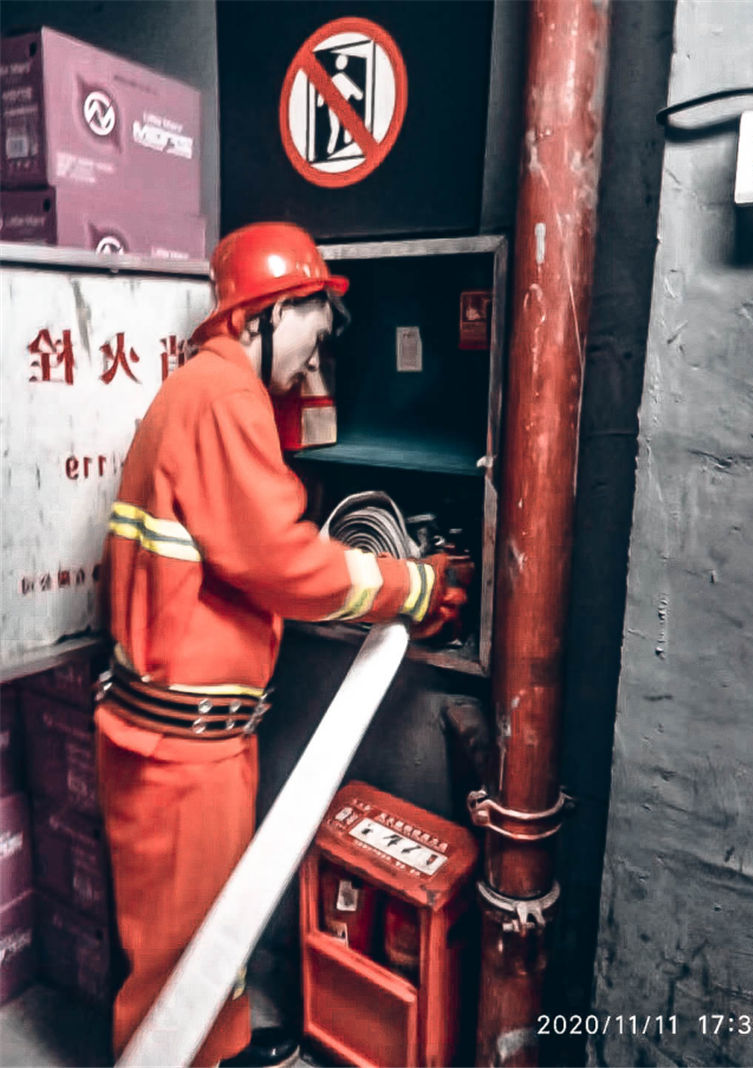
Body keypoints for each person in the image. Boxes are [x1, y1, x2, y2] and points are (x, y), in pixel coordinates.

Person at [94, 222, 472, 1068]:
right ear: (264, 313)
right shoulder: (224, 396)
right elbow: (282, 561)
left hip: (189, 736)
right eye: (313, 327)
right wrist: (411, 586)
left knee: (208, 935)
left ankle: (219, 1046)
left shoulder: (207, 391)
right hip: (179, 749)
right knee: (173, 966)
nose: (315, 356)